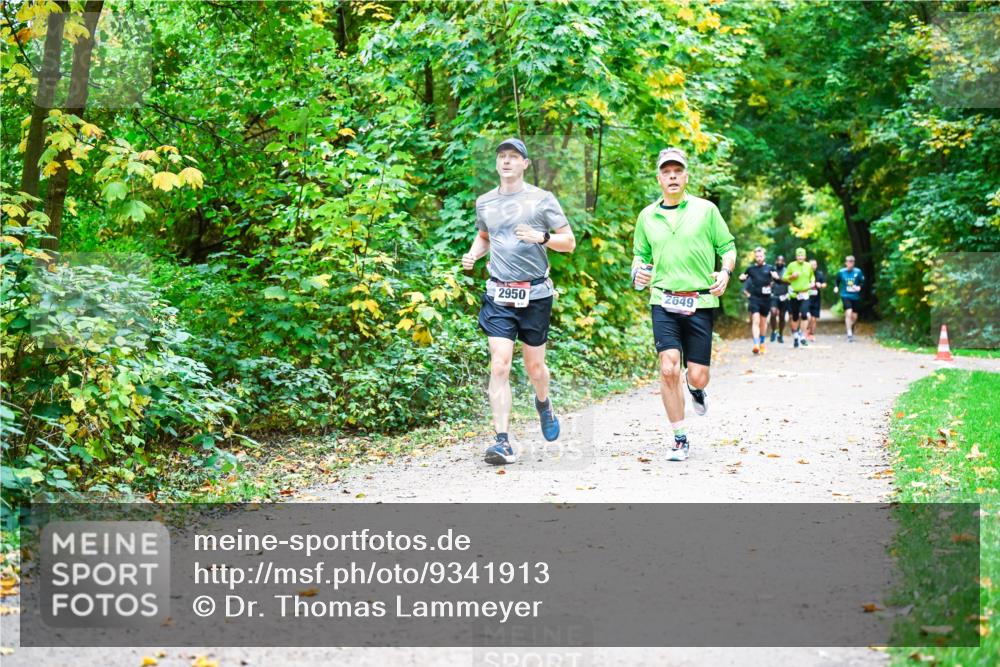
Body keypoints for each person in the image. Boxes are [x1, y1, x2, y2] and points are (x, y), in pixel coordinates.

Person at [462, 138, 576, 465]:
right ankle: (502, 441)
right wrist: (473, 254)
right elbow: (485, 237)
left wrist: (542, 238)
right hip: (499, 293)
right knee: (500, 363)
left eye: (514, 157)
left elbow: (568, 242)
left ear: (525, 163)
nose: (506, 161)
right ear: (496, 163)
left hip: (536, 294)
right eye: (502, 156)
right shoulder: (485, 202)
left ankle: (543, 403)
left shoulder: (542, 199)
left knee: (534, 367)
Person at [632, 147, 736, 462]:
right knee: (668, 368)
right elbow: (640, 256)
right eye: (667, 171)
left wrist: (725, 271)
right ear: (659, 177)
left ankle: (695, 389)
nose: (673, 176)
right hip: (663, 300)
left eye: (678, 171)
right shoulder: (647, 216)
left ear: (686, 176)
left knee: (698, 375)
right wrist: (638, 273)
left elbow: (727, 246)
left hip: (700, 301)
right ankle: (679, 438)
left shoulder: (706, 210)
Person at [738, 247, 780, 355]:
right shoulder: (751, 269)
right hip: (754, 298)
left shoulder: (770, 268)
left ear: (764, 256)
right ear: (755, 257)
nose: (759, 258)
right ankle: (756, 344)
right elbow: (743, 278)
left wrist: (775, 277)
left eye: (760, 256)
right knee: (755, 320)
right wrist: (741, 278)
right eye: (757, 256)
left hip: (766, 299)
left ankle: (762, 342)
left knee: (763, 322)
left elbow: (777, 280)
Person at [783, 247, 815, 348]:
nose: (800, 257)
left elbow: (812, 277)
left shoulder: (809, 266)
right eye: (798, 255)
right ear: (796, 256)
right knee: (795, 316)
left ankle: (802, 336)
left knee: (805, 314)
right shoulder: (791, 265)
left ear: (805, 256)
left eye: (802, 255)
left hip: (805, 294)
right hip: (794, 294)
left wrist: (812, 282)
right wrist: (792, 277)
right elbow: (784, 278)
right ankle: (796, 335)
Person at [833, 254, 865, 342]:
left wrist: (859, 287)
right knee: (848, 313)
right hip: (845, 295)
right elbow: (836, 281)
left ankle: (850, 328)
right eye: (848, 262)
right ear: (846, 263)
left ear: (854, 263)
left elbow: (862, 282)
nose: (850, 264)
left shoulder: (858, 272)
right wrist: (836, 287)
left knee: (854, 317)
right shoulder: (841, 272)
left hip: (855, 296)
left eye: (852, 262)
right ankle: (849, 333)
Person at [769, 255, 789, 344]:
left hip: (784, 296)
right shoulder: (771, 270)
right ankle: (773, 331)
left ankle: (780, 334)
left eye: (782, 261)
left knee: (782, 316)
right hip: (773, 295)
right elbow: (766, 280)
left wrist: (779, 280)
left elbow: (790, 282)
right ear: (776, 261)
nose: (780, 262)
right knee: (773, 313)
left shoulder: (787, 271)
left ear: (784, 262)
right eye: (778, 260)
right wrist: (770, 283)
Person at [806, 258, 826, 342]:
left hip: (816, 299)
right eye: (811, 264)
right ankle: (806, 330)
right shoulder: (805, 274)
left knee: (814, 319)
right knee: (808, 317)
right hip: (806, 298)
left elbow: (825, 284)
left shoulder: (819, 274)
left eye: (814, 264)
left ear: (816, 265)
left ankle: (812, 334)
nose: (813, 266)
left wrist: (820, 285)